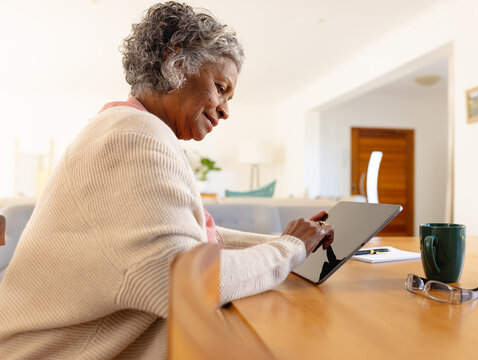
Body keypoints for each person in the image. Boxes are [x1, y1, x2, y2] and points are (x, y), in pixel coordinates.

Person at [0, 2, 333, 359]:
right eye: (220, 87)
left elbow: (195, 239)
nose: (225, 109)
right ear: (176, 63)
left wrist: (289, 242)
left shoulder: (124, 127)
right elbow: (183, 282)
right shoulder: (136, 137)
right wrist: (289, 249)